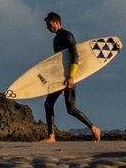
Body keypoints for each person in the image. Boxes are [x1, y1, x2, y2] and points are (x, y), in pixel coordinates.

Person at [42, 12, 101, 142]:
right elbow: (58, 62)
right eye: (47, 25)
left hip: (70, 77)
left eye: (49, 24)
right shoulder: (55, 39)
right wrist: (60, 83)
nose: (47, 27)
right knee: (48, 103)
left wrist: (71, 77)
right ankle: (51, 136)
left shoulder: (68, 36)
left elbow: (75, 57)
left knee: (71, 109)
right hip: (60, 78)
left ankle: (94, 128)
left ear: (57, 22)